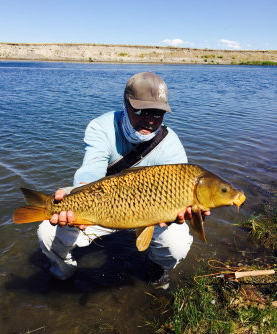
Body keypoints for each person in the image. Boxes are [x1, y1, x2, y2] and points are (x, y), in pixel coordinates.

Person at [38, 71, 209, 288]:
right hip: (106, 205)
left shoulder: (171, 145)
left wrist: (191, 214)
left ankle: (155, 268)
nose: (150, 119)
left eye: (158, 113)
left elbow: (182, 193)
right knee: (47, 231)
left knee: (176, 244)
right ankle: (64, 272)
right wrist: (77, 198)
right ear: (125, 103)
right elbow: (91, 174)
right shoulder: (102, 127)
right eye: (141, 110)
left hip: (154, 213)